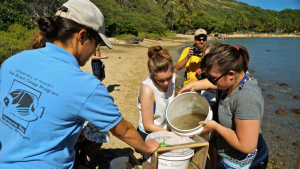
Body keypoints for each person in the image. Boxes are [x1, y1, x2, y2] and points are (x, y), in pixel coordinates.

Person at [0, 0, 160, 168]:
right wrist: (147, 146)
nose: (94, 51)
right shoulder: (85, 86)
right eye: (97, 44)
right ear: (82, 36)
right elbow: (124, 130)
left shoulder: (13, 61)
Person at [178, 44, 268, 168]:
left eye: (213, 78)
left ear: (231, 74)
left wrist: (216, 127)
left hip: (244, 164)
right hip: (228, 155)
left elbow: (247, 145)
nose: (211, 81)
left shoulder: (247, 97)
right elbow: (212, 83)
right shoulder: (235, 80)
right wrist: (191, 86)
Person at [137, 46, 176, 141]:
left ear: (173, 68)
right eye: (160, 80)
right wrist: (172, 136)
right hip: (149, 134)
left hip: (166, 130)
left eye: (168, 78)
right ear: (151, 74)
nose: (166, 83)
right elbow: (148, 125)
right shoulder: (147, 89)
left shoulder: (174, 78)